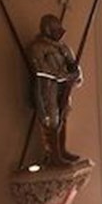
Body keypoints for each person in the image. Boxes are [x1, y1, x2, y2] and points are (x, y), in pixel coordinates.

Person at [27, 14, 82, 166]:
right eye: (56, 29)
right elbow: (41, 70)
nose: (60, 33)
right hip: (47, 88)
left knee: (64, 116)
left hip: (64, 88)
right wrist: (65, 76)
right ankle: (54, 155)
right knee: (52, 120)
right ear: (48, 30)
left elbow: (75, 67)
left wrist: (74, 74)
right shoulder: (37, 48)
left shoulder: (63, 48)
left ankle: (62, 150)